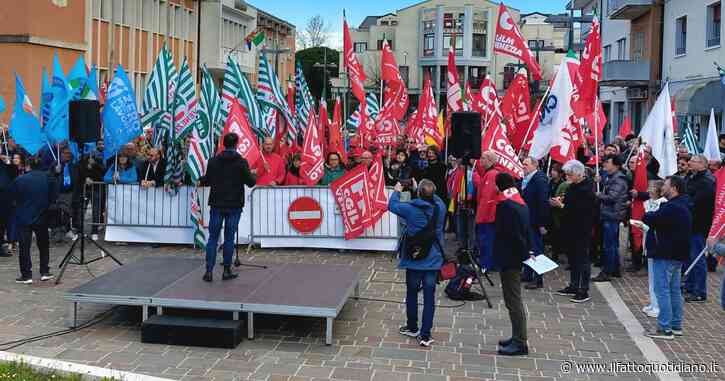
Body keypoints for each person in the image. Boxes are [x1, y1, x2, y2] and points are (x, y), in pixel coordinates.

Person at [389, 179, 454, 347]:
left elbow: (392, 205)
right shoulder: (440, 207)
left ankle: (412, 327)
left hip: (414, 257)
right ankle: (425, 335)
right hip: (433, 258)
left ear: (418, 194)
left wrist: (397, 189)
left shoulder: (411, 209)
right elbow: (436, 197)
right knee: (429, 297)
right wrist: (423, 187)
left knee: (411, 292)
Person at [199, 133, 257, 282]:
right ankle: (226, 270)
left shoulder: (213, 161)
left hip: (217, 204)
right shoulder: (241, 162)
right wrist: (254, 174)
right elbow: (250, 182)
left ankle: (209, 271)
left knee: (213, 238)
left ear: (223, 144)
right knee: (229, 237)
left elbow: (207, 181)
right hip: (234, 205)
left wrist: (200, 178)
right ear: (236, 144)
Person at [642, 176, 691, 340]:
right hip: (677, 253)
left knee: (662, 290)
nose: (663, 187)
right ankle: (676, 325)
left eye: (666, 185)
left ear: (674, 188)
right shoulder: (683, 203)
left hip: (666, 253)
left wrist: (650, 213)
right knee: (673, 290)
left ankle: (665, 328)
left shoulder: (672, 207)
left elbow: (652, 219)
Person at [492, 172, 531, 356]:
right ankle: (516, 337)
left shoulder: (506, 206)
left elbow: (510, 235)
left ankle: (520, 342)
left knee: (513, 300)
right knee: (512, 299)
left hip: (510, 259)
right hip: (515, 257)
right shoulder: (518, 201)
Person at [551, 160, 597, 302]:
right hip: (570, 229)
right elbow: (571, 201)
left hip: (581, 230)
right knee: (573, 258)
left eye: (570, 174)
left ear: (578, 174)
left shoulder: (586, 190)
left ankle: (583, 290)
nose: (567, 177)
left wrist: (562, 205)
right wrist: (562, 200)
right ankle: (574, 285)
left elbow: (579, 211)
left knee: (582, 259)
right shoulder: (573, 186)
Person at [9, 157, 59, 284]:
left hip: (24, 217)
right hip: (42, 216)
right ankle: (44, 271)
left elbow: (13, 198)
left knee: (24, 247)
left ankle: (26, 274)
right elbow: (54, 197)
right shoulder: (48, 178)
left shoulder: (20, 180)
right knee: (43, 245)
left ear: (28, 166)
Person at [684, 155, 716, 302]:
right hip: (690, 224)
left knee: (697, 258)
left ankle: (700, 290)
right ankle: (689, 285)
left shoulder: (707, 182)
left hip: (699, 225)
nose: (690, 163)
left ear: (702, 164)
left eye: (694, 161)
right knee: (689, 257)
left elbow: (696, 201)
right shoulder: (692, 177)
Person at [592, 155, 629, 281]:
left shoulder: (619, 179)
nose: (605, 165)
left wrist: (598, 195)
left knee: (609, 245)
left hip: (612, 215)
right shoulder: (612, 177)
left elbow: (612, 197)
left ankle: (607, 271)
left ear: (616, 165)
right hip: (610, 214)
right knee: (611, 244)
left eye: (608, 162)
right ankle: (614, 269)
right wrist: (601, 182)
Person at [637, 180, 667, 318]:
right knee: (651, 275)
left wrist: (644, 225)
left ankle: (658, 305)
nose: (649, 190)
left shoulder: (663, 203)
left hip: (657, 240)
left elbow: (656, 223)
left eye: (652, 188)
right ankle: (653, 302)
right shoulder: (648, 203)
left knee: (657, 276)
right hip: (648, 238)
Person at [520, 157, 549, 290]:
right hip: (527, 220)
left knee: (536, 249)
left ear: (534, 165)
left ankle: (538, 278)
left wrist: (542, 223)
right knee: (527, 248)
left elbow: (543, 202)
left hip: (535, 221)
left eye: (526, 164)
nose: (523, 166)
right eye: (523, 164)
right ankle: (527, 273)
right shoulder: (526, 178)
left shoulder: (540, 179)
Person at [473, 151, 500, 271]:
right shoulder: (489, 173)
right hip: (488, 215)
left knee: (486, 241)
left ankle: (486, 265)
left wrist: (480, 217)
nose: (480, 161)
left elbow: (487, 198)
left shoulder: (492, 174)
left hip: (487, 216)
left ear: (489, 160)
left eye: (483, 158)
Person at [50, 147, 81, 242]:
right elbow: (49, 177)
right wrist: (56, 171)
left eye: (69, 153)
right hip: (58, 192)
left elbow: (77, 178)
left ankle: (67, 230)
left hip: (70, 192)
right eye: (65, 153)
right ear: (61, 154)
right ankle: (57, 232)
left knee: (67, 212)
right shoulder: (55, 164)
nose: (67, 155)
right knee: (57, 212)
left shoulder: (74, 165)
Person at [0, 153, 18, 257]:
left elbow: (13, 175)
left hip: (5, 198)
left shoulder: (5, 164)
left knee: (2, 223)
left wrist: (10, 164)